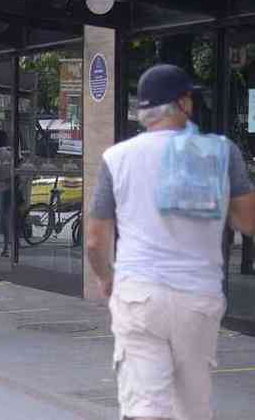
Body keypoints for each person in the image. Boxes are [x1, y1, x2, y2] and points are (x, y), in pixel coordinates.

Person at [87, 64, 255, 420]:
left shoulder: (116, 159)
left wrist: (105, 277)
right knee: (193, 406)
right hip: (198, 297)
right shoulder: (222, 154)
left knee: (145, 406)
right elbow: (248, 221)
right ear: (183, 103)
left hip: (139, 295)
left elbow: (94, 239)